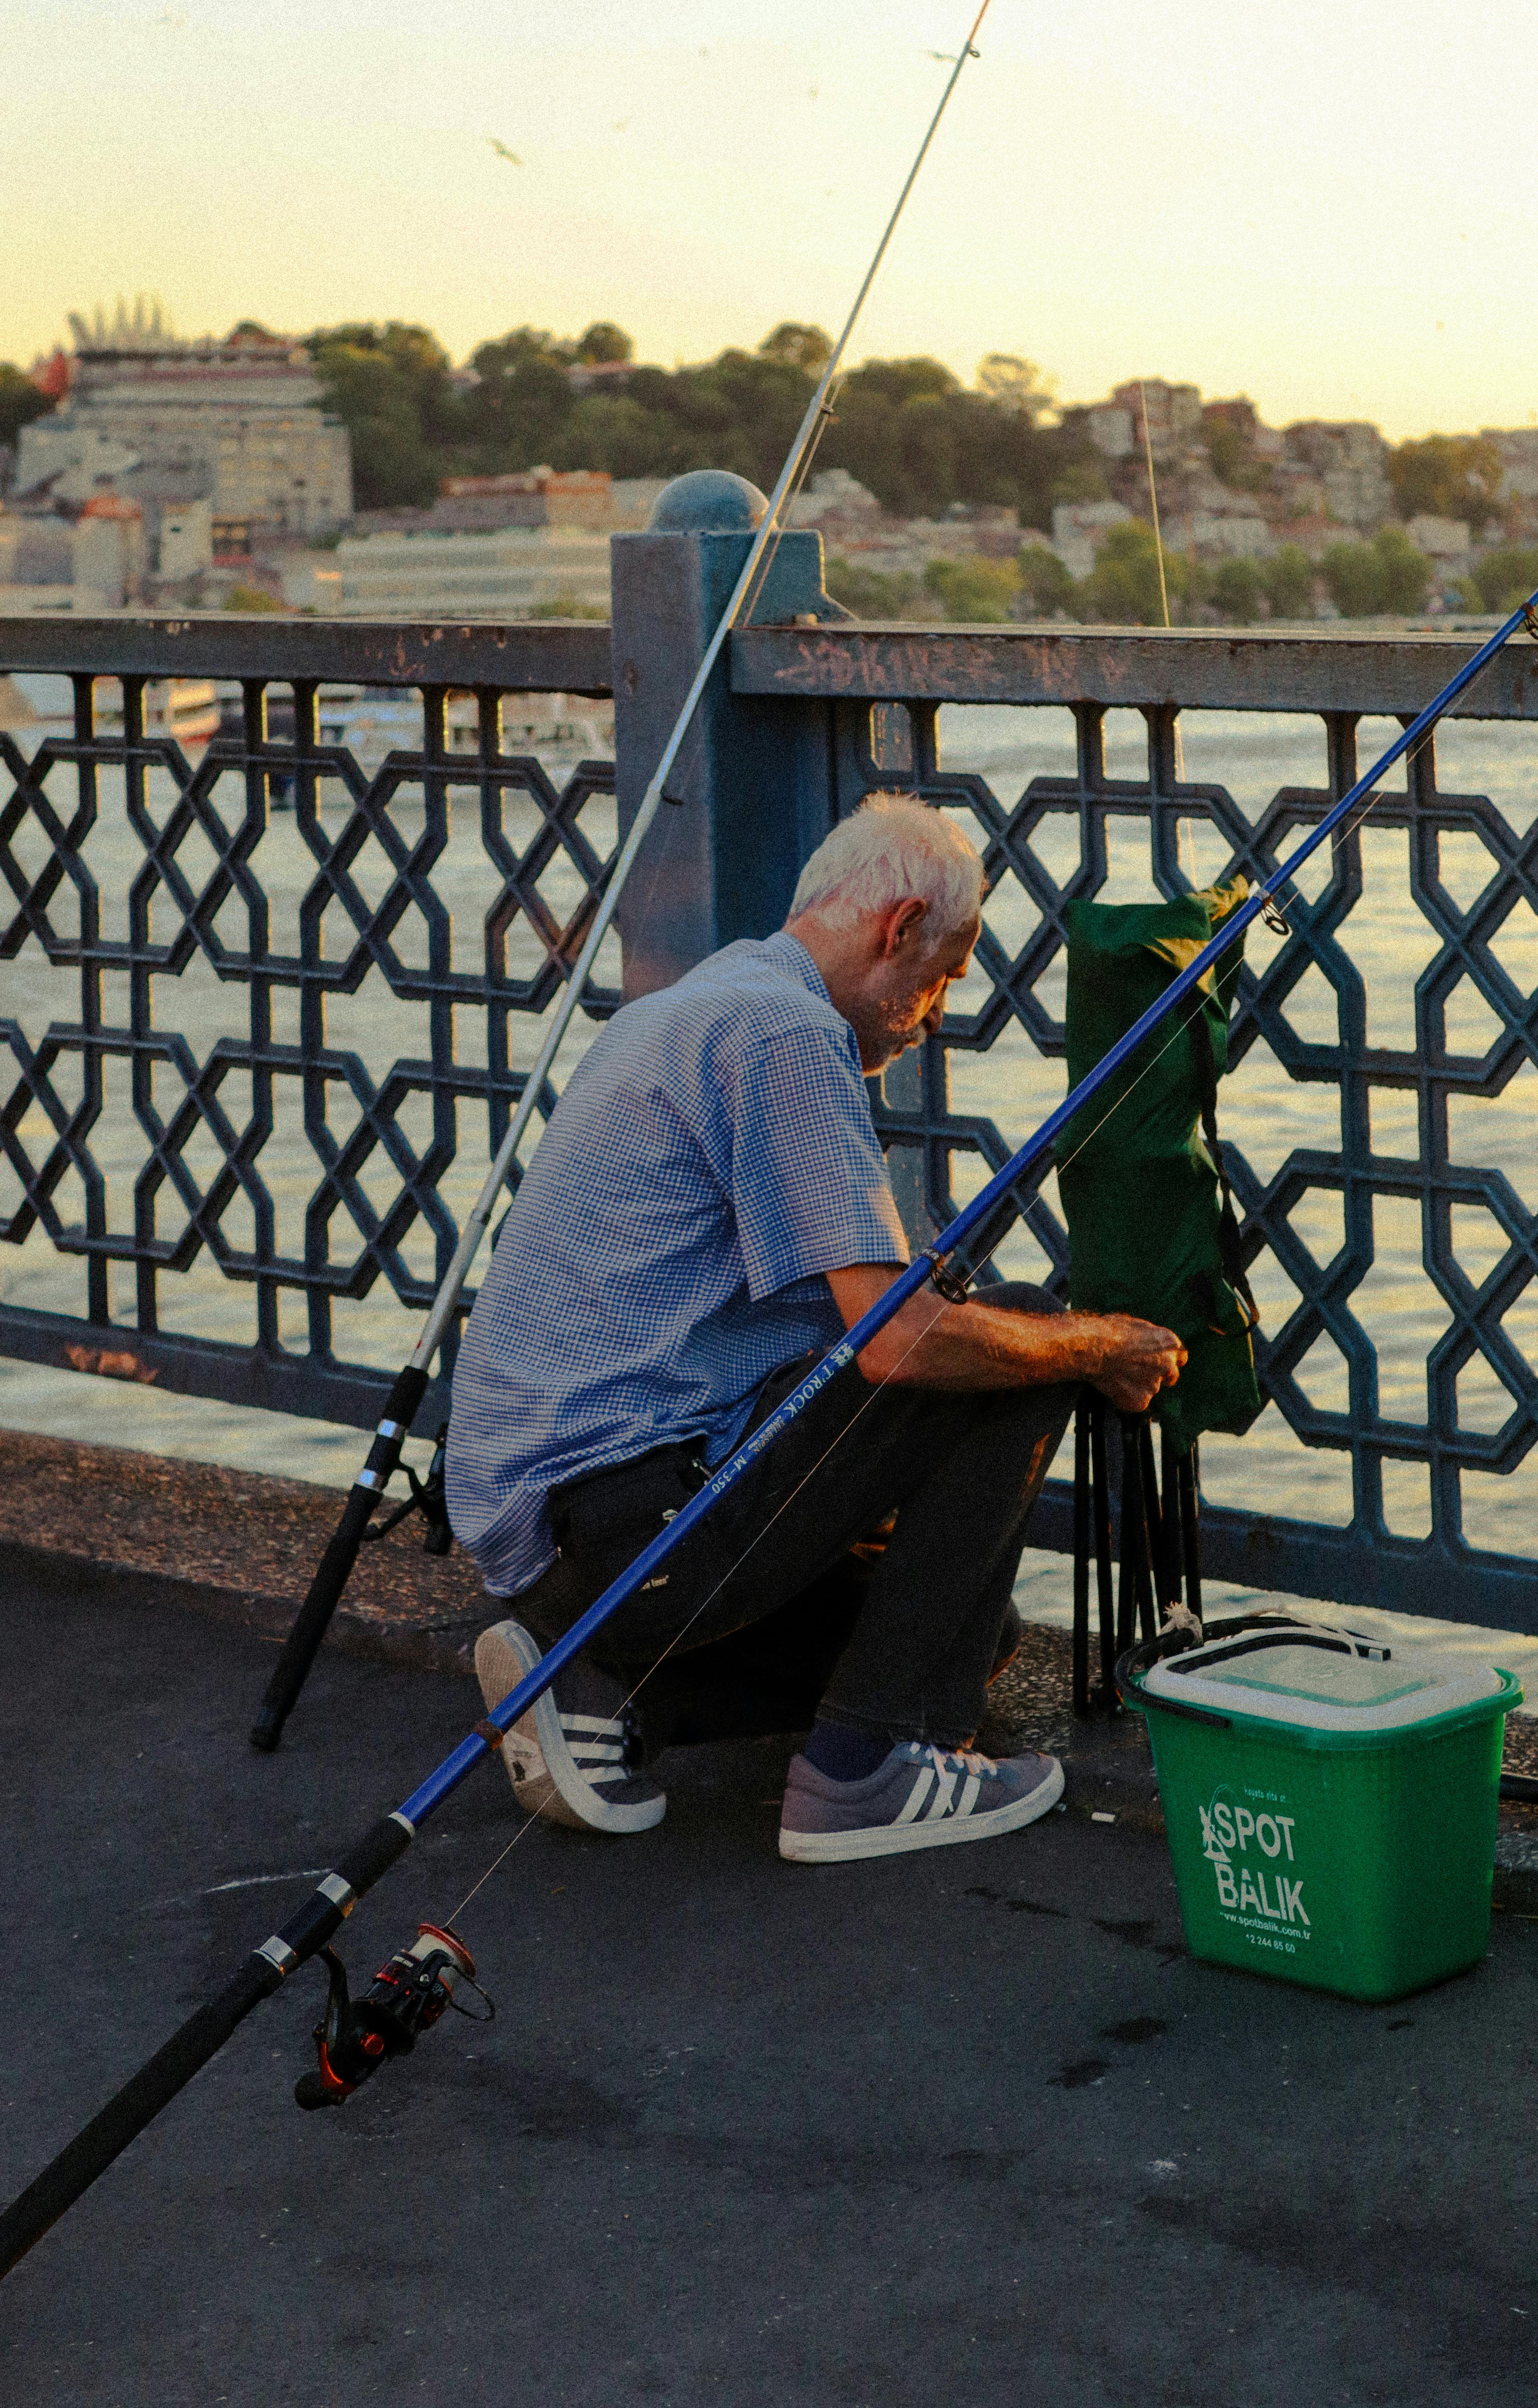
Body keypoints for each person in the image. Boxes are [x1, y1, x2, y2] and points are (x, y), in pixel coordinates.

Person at [446, 794, 1185, 1863]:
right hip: (629, 1519)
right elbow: (899, 1345)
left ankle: (600, 1689)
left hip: (559, 1542)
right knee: (1022, 1338)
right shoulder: (787, 1034)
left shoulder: (688, 1005)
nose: (933, 1016)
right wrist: (1095, 1344)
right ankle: (869, 1770)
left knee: (973, 1638)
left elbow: (806, 1319)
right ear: (898, 931)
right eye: (943, 977)